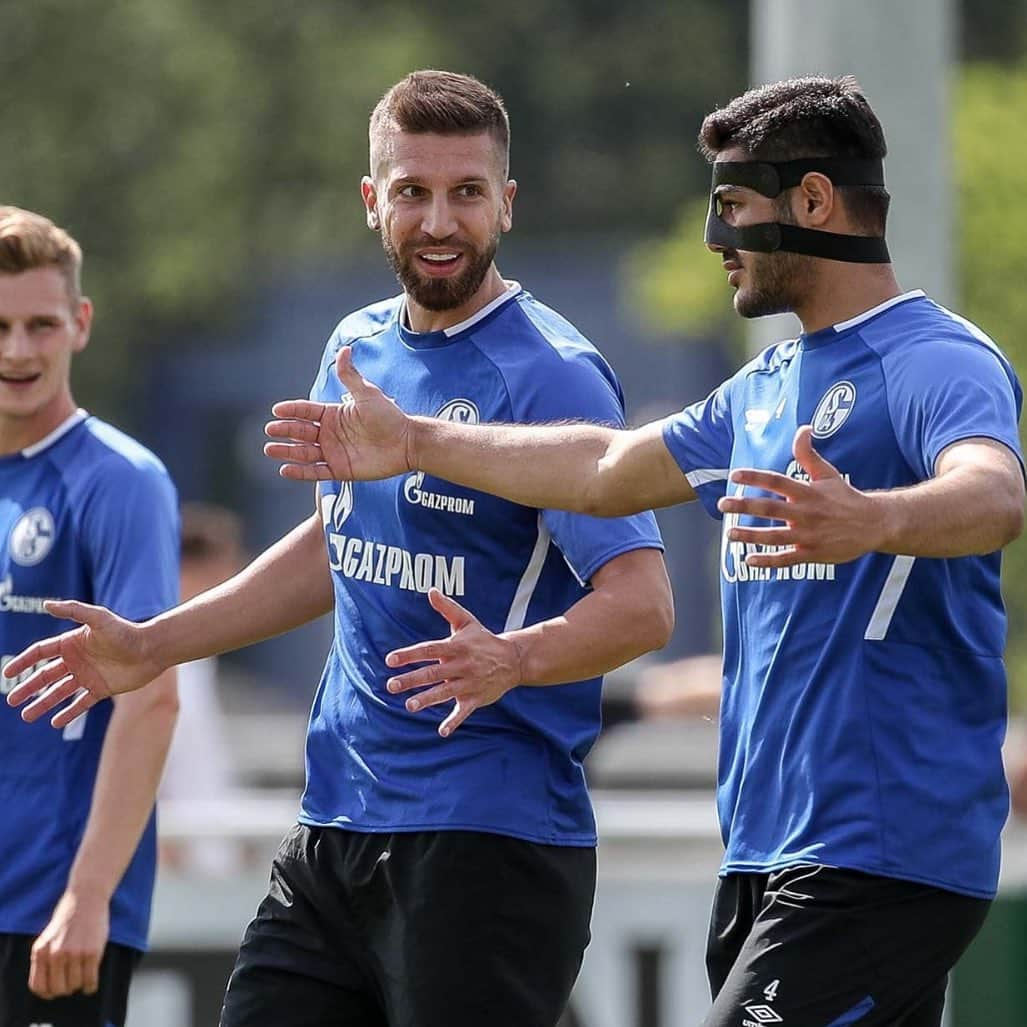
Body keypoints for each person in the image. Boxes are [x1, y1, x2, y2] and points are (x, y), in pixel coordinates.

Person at [253, 77, 1025, 1026]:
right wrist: (418, 440)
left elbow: (993, 492)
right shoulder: (766, 384)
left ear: (814, 202)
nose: (716, 239)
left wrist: (877, 518)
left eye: (735, 206)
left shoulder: (934, 359)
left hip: (879, 851)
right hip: (765, 852)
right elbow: (604, 469)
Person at [6, 71, 673, 1027]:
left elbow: (644, 603)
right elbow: (337, 544)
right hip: (334, 828)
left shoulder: (552, 374)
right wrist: (156, 643)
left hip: (485, 838)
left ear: (506, 205)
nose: (438, 220)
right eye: (411, 191)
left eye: (465, 193)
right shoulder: (355, 349)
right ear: (373, 202)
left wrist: (511, 659)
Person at [0, 207, 179, 1027]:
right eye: (0, 326)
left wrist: (88, 894)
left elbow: (152, 695)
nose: (18, 350)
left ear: (80, 324)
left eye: (40, 323)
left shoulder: (118, 481)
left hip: (45, 913)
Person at [158, 503, 246, 876]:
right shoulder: (160, 662)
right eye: (219, 575)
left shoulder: (196, 662)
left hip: (210, 874)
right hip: (174, 881)